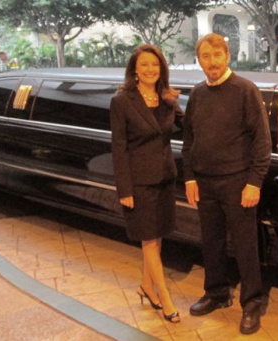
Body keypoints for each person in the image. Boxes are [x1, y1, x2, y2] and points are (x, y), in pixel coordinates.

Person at [181, 33, 272, 335]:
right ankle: (217, 292)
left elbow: (262, 141)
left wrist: (254, 182)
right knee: (212, 242)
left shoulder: (245, 90)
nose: (212, 62)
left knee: (246, 246)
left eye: (217, 55)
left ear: (227, 56)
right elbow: (189, 139)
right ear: (200, 61)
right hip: (205, 182)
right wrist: (190, 177)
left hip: (238, 182)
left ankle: (252, 302)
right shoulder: (197, 94)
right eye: (205, 57)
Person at [110, 44, 182, 323]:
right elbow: (119, 147)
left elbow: (188, 125)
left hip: (164, 177)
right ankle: (164, 297)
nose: (151, 69)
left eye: (155, 64)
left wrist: (175, 102)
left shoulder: (166, 98)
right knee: (149, 240)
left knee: (158, 237)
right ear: (135, 70)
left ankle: (145, 285)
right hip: (138, 182)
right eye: (145, 65)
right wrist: (124, 189)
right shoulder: (121, 101)